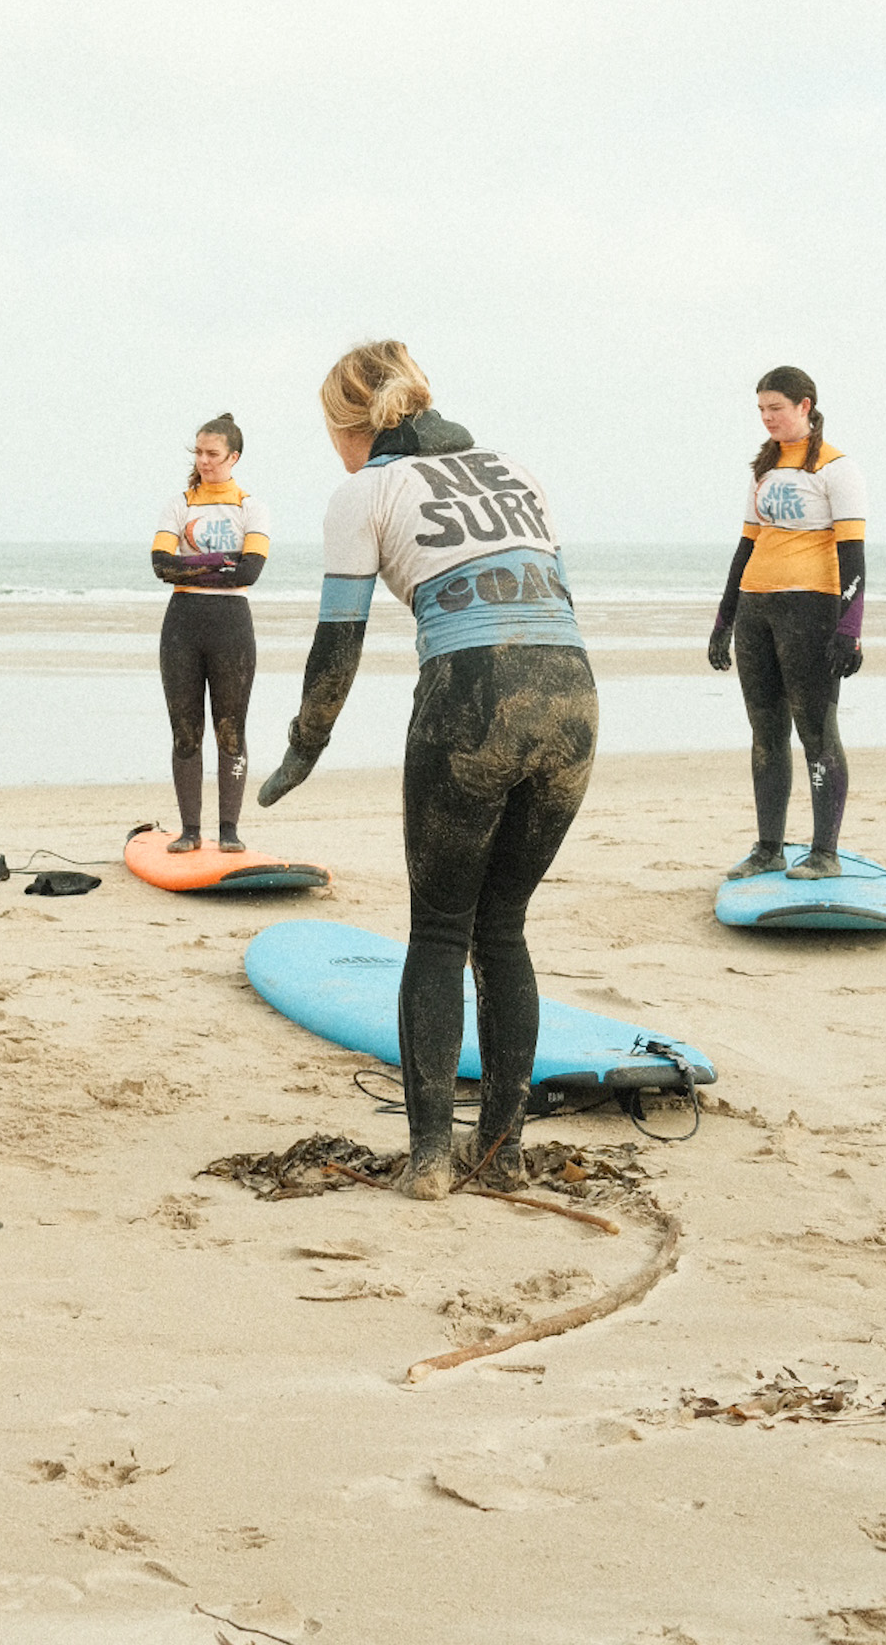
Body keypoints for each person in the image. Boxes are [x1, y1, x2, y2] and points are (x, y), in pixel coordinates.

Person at [257, 341, 596, 1199]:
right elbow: (550, 594)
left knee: (441, 933)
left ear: (350, 424)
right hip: (573, 698)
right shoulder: (516, 470)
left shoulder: (364, 492)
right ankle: (504, 1154)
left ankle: (432, 1161)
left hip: (470, 702)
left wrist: (305, 745)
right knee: (504, 929)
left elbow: (338, 643)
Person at [709, 367, 866, 882]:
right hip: (756, 610)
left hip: (810, 612)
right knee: (766, 733)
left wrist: (849, 630)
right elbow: (746, 546)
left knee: (816, 733)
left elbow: (853, 557)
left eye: (775, 408)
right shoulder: (766, 468)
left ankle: (825, 853)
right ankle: (768, 849)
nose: (766, 417)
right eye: (760, 409)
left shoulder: (836, 468)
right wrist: (724, 620)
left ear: (804, 406)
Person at [150, 413, 271, 853]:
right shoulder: (178, 505)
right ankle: (190, 831)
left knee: (230, 731)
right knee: (185, 733)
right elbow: (161, 566)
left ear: (233, 457)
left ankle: (229, 831)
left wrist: (191, 565)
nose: (203, 460)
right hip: (182, 626)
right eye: (198, 452)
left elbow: (250, 572)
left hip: (231, 628)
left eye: (212, 454)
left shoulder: (251, 508)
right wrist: (221, 562)